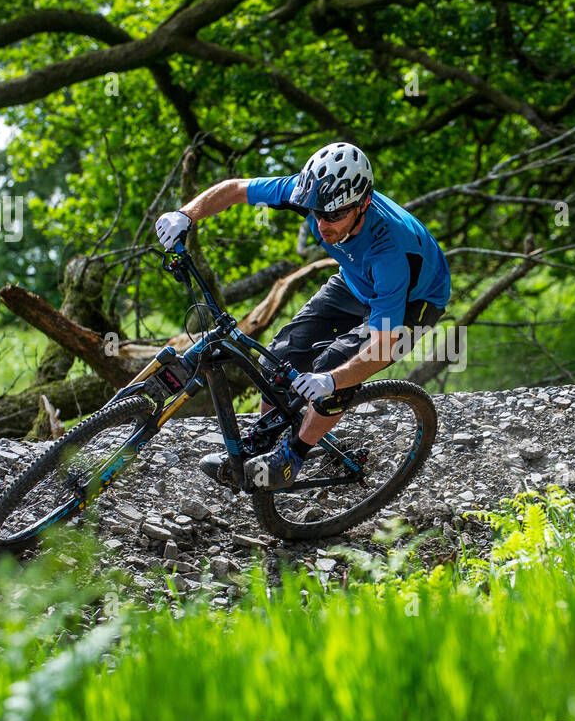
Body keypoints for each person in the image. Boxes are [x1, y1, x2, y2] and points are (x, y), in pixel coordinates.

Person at [154, 142, 451, 489]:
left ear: (363, 204)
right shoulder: (307, 193)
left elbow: (384, 347)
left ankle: (292, 456)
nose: (322, 224)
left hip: (416, 300)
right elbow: (236, 190)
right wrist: (186, 214)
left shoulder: (390, 249)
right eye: (316, 213)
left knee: (332, 371)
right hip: (356, 280)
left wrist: (330, 381)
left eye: (334, 216)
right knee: (280, 355)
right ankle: (261, 441)